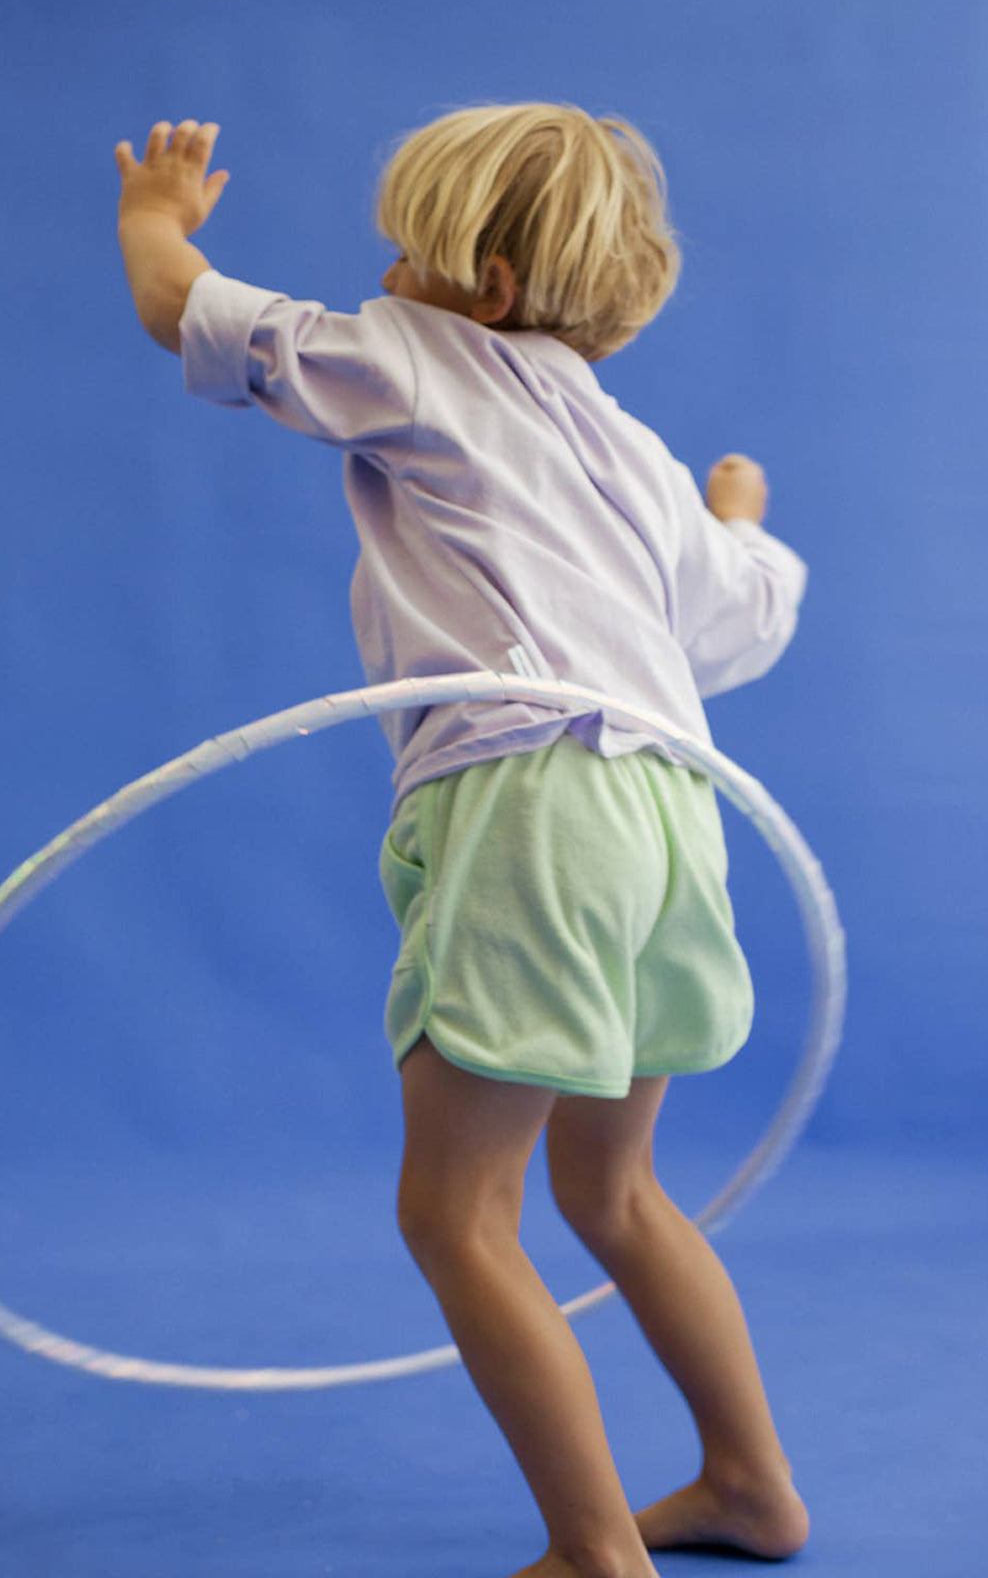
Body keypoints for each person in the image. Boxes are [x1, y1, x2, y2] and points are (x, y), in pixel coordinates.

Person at [116, 103, 813, 1578]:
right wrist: (742, 518)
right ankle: (752, 1486)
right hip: (675, 816)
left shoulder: (415, 360)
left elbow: (187, 309)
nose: (381, 270)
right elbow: (743, 613)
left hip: (531, 800)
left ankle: (591, 1553)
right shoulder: (631, 449)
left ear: (483, 286)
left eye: (407, 249)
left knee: (456, 1209)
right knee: (612, 1190)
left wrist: (154, 218)